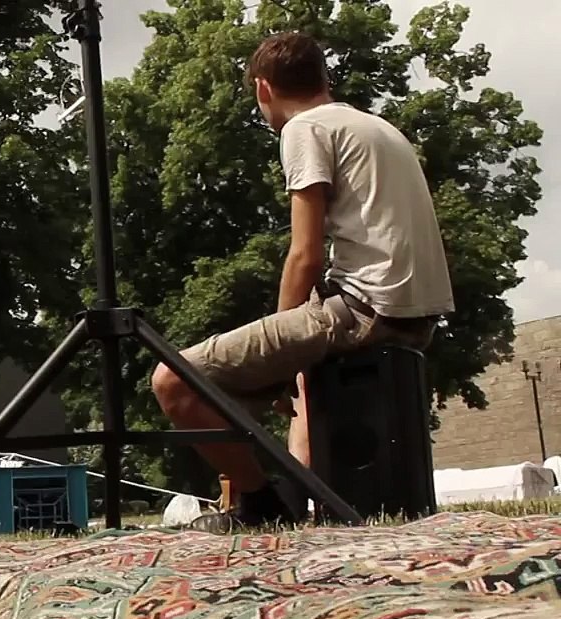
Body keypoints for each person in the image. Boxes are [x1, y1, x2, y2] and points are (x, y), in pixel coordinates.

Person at [150, 31, 455, 533]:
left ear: (263, 89)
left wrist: (281, 346)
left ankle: (258, 506)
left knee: (175, 381)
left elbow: (305, 255)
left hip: (364, 308)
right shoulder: (377, 127)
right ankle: (298, 499)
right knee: (296, 391)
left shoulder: (305, 129)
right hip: (414, 312)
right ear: (323, 79)